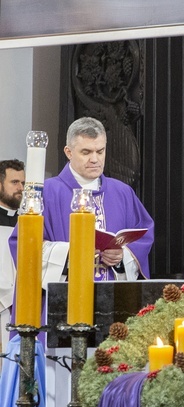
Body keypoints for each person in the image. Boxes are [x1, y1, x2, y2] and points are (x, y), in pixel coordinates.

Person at [10, 117, 154, 283]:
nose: (95, 159)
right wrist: (68, 252)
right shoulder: (46, 192)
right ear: (68, 152)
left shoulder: (122, 192)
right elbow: (23, 245)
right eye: (86, 152)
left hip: (114, 298)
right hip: (65, 298)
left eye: (100, 151)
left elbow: (144, 236)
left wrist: (123, 256)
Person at [0, 160, 25, 349]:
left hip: (22, 300)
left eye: (23, 183)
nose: (21, 188)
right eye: (14, 182)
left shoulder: (28, 220)